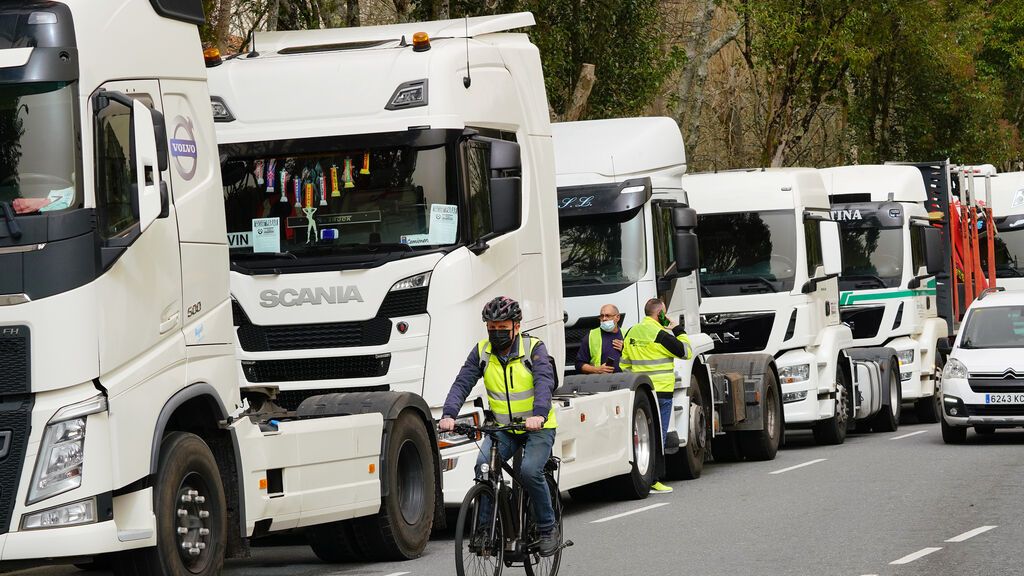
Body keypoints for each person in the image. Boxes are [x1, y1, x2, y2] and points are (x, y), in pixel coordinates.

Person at [439, 296, 560, 556]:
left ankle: (548, 528)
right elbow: (462, 382)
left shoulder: (533, 348)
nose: (496, 334)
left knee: (528, 472)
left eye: (502, 328)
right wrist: (449, 414)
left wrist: (539, 414)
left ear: (516, 326)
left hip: (537, 427)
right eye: (491, 328)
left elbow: (544, 382)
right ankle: (484, 532)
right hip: (503, 428)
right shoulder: (482, 351)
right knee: (483, 467)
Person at [619, 298, 692, 494]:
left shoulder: (631, 332)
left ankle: (647, 476)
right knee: (658, 438)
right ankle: (654, 480)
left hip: (640, 392)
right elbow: (686, 352)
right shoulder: (660, 334)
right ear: (660, 314)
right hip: (661, 391)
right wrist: (677, 329)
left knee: (643, 437)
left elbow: (624, 363)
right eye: (664, 313)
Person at [575, 304, 624, 374]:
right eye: (602, 316)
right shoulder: (592, 335)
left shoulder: (627, 334)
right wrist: (597, 370)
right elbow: (579, 364)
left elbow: (638, 359)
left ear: (617, 317)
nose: (604, 319)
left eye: (608, 316)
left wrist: (626, 349)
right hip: (600, 381)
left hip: (625, 380)